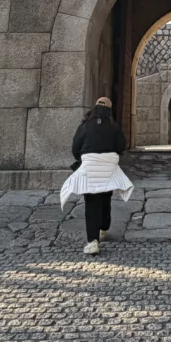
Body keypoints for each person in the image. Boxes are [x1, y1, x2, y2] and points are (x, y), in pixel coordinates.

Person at [59, 97, 134, 255]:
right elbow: (121, 145)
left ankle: (92, 241)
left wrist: (82, 158)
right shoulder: (114, 126)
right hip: (108, 167)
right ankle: (104, 228)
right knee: (106, 196)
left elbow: (76, 146)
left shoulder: (85, 125)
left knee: (91, 203)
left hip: (90, 166)